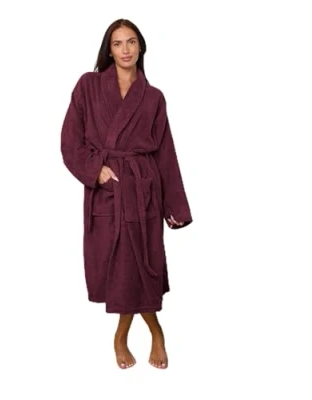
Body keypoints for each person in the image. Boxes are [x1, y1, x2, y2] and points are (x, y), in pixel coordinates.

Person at [60, 18, 193, 369]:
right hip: (107, 193)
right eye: (117, 43)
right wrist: (96, 171)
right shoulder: (88, 86)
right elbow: (70, 142)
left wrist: (175, 207)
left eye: (131, 42)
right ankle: (149, 331)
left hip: (143, 190)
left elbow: (165, 154)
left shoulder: (153, 97)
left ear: (141, 47)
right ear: (109, 49)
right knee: (120, 268)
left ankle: (128, 336)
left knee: (141, 267)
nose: (125, 49)